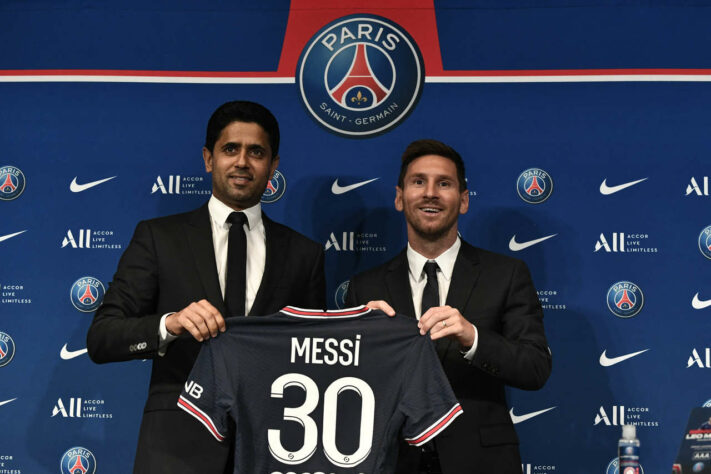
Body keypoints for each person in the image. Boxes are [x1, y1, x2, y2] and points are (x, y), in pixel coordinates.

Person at [87, 101, 326, 474]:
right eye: (230, 149)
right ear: (208, 159)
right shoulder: (158, 238)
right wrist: (170, 324)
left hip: (272, 450)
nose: (243, 162)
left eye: (256, 152)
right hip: (176, 449)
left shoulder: (304, 254)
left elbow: (315, 357)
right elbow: (102, 337)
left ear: (273, 166)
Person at [345, 139, 551, 474]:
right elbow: (348, 389)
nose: (430, 193)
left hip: (480, 462)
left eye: (444, 183)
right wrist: (365, 346)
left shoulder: (506, 274)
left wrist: (473, 338)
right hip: (392, 461)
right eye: (418, 182)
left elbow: (535, 367)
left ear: (464, 200)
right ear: (399, 198)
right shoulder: (364, 287)